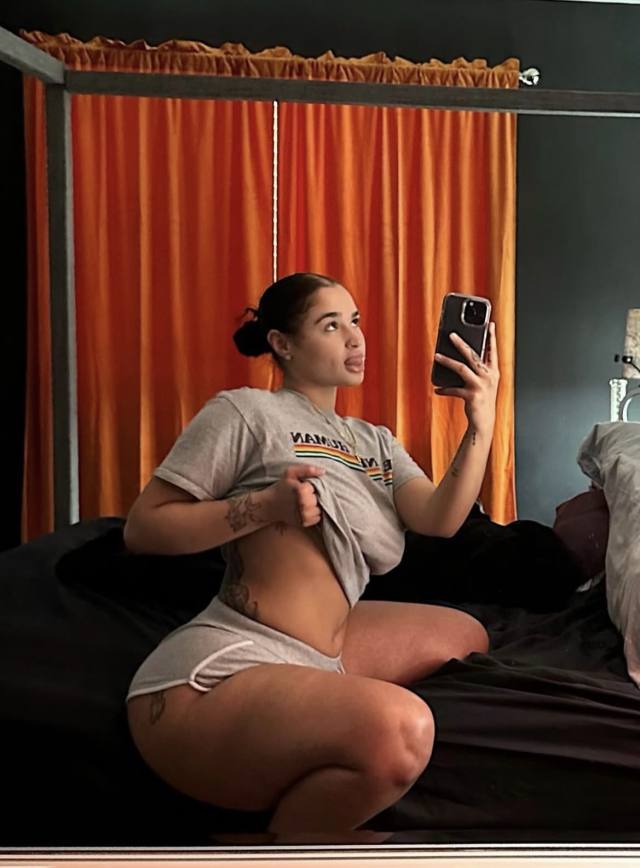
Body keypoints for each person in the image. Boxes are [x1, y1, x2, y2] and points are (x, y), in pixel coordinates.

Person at [125, 272, 499, 834]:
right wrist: (264, 508)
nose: (354, 338)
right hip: (218, 671)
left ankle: (323, 703)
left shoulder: (374, 441)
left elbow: (441, 519)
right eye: (330, 325)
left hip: (318, 650)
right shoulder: (245, 413)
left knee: (466, 634)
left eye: (355, 322)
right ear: (282, 344)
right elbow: (144, 528)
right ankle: (278, 849)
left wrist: (481, 423)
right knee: (404, 730)